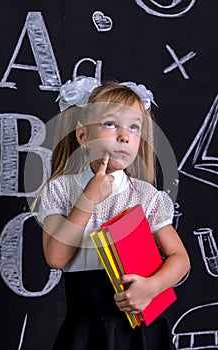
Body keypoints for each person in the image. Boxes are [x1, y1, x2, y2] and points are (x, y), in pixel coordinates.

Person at [36, 77, 190, 350]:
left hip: (141, 332)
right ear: (83, 135)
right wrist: (89, 198)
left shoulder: (145, 195)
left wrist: (152, 287)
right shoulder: (61, 189)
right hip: (86, 331)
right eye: (111, 124)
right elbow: (56, 258)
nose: (124, 135)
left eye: (134, 127)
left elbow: (180, 259)